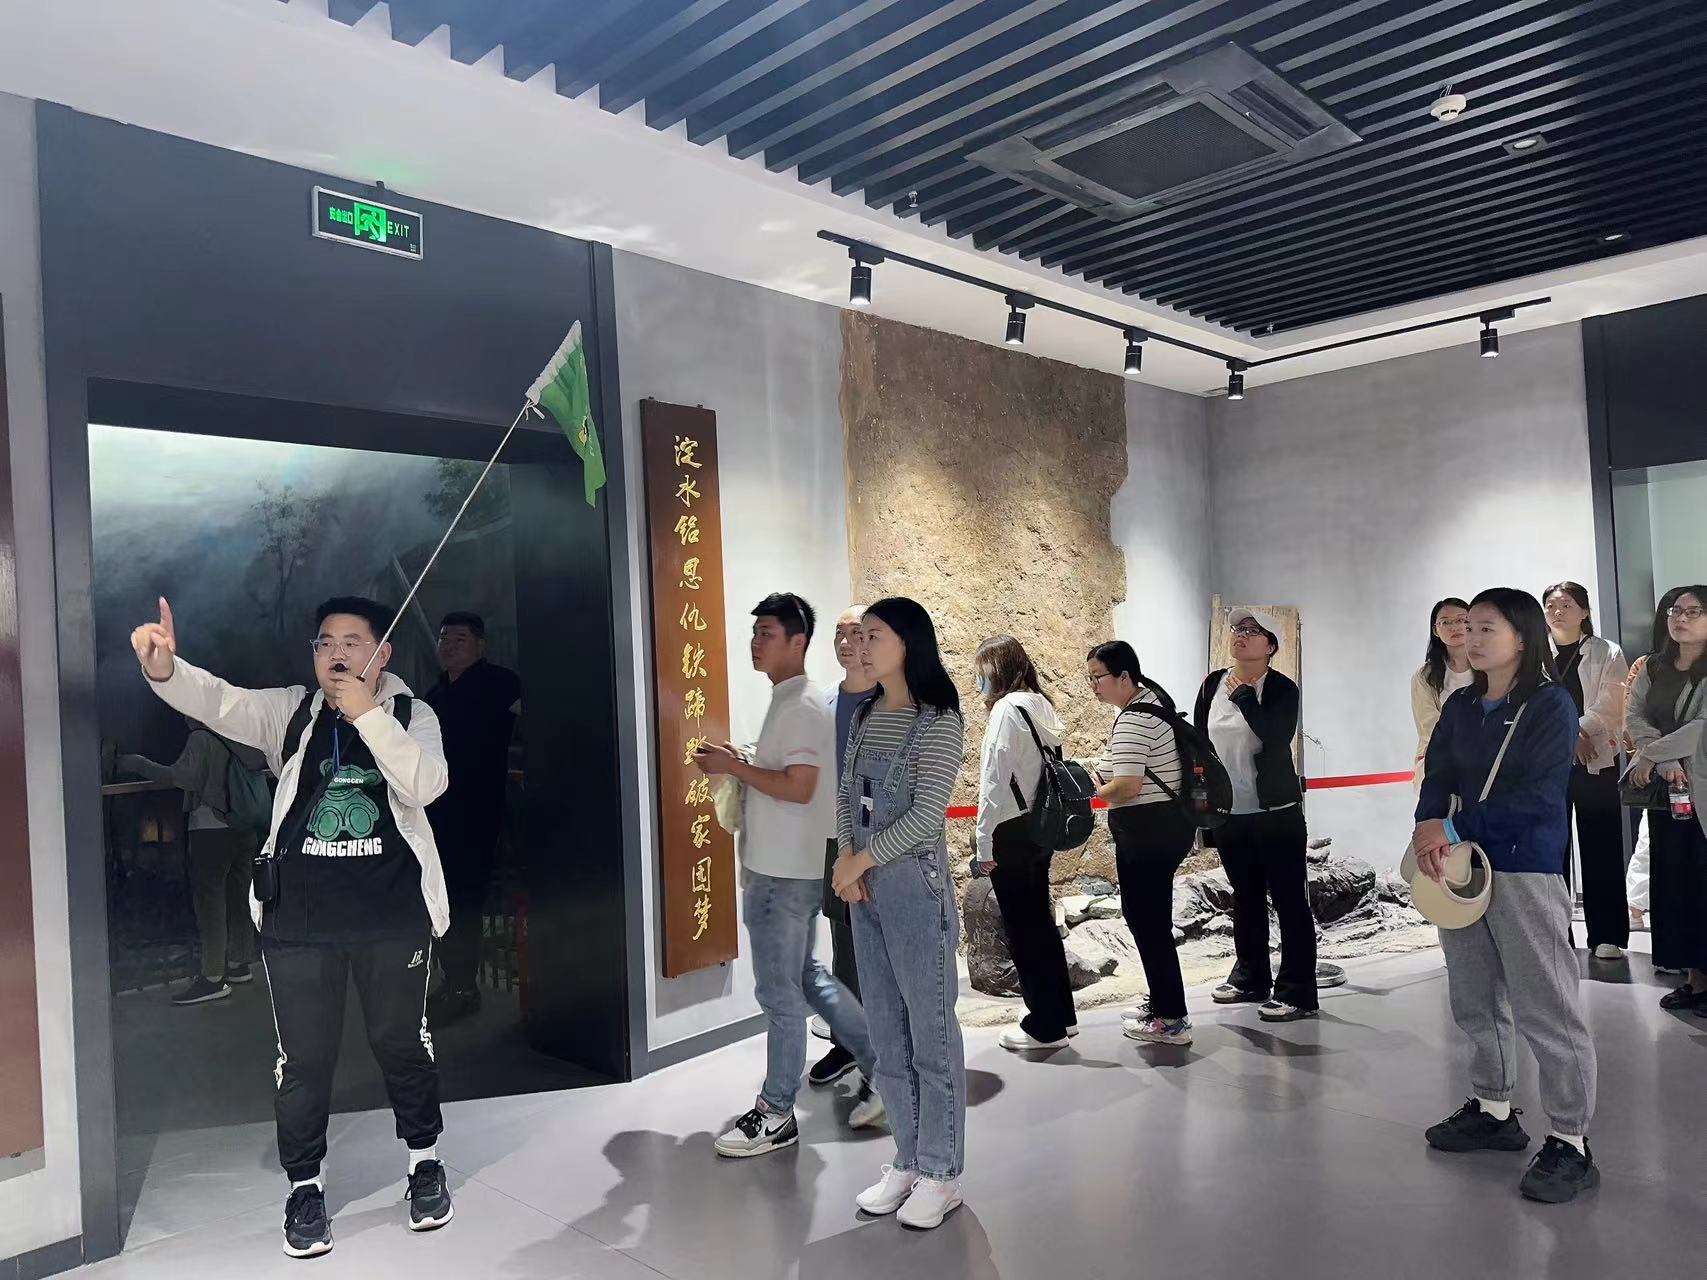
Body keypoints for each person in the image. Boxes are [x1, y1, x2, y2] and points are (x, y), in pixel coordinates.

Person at [129, 595, 454, 1257]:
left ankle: (424, 1161)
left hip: (392, 917)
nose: (337, 652)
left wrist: (367, 714)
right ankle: (305, 1186)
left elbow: (427, 785)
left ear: (383, 652)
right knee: (303, 1060)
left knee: (401, 1043)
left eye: (353, 641)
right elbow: (220, 702)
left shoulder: (411, 714)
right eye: (325, 642)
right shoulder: (293, 712)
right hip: (299, 921)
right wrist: (165, 670)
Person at [1414, 586, 1599, 1204]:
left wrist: (1454, 828)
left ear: (1522, 636)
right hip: (1462, 867)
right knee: (1474, 994)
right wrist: (1427, 823)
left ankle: (1571, 1140)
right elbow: (1439, 773)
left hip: (1524, 866)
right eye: (1466, 628)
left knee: (1547, 1007)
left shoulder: (1550, 704)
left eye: (1485, 628)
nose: (1470, 638)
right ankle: (1494, 1109)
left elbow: (1540, 798)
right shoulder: (1461, 705)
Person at [697, 593, 881, 1157]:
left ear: (797, 642)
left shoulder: (801, 704)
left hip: (781, 873)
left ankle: (777, 1112)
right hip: (781, 867)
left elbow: (799, 788)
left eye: (768, 633)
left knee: (779, 996)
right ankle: (885, 1070)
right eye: (755, 632)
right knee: (808, 979)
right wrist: (743, 760)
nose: (756, 642)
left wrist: (733, 766)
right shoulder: (792, 699)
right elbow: (790, 774)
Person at [830, 597, 967, 1230]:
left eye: (874, 635)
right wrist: (847, 858)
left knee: (931, 1037)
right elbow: (845, 795)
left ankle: (942, 1172)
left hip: (914, 888)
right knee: (887, 1035)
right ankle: (908, 1160)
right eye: (859, 636)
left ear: (908, 642)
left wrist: (859, 860)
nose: (861, 646)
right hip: (866, 889)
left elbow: (926, 816)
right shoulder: (865, 715)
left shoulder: (938, 721)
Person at [1193, 608, 1316, 1022]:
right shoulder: (1212, 684)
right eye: (1237, 629)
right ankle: (1250, 977)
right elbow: (1200, 743)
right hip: (1230, 812)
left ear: (1270, 646)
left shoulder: (1281, 688)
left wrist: (1245, 697)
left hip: (1275, 811)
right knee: (1245, 897)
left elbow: (1277, 736)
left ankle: (1297, 992)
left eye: (1252, 631)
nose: (1241, 635)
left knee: (1289, 900)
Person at [1080, 641, 1194, 1046]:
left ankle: (1171, 1018)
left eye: (1098, 677)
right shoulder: (1153, 701)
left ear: (1124, 676)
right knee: (1151, 919)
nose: (1093, 686)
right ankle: (1163, 1002)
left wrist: (1091, 794)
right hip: (1165, 826)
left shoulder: (1133, 719)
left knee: (1148, 921)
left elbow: (1128, 786)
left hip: (1147, 831)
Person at [972, 635, 1075, 1052]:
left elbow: (994, 780)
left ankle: (1044, 1026)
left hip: (1011, 830)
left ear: (997, 669)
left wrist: (982, 843)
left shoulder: (1005, 709)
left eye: (982, 671)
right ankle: (1060, 1015)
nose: (978, 679)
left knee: (1022, 927)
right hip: (1040, 825)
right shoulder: (1041, 704)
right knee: (1040, 923)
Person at [119, 719, 266, 1004]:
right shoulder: (241, 734)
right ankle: (240, 964)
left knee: (210, 902)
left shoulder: (202, 739)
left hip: (211, 830)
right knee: (240, 897)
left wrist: (136, 763)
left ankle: (213, 978)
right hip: (245, 827)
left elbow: (179, 778)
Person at [422, 611, 521, 1026]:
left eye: (459, 639)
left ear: (480, 645)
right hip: (436, 814)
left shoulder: (501, 684)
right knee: (441, 900)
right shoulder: (433, 696)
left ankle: (463, 987)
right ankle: (454, 981)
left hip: (478, 813)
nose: (448, 646)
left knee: (464, 901)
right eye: (444, 639)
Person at [1625, 585, 1707, 1011]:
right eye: (1676, 611)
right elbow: (1634, 715)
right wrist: (1661, 760)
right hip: (1667, 793)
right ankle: (1694, 979)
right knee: (1674, 883)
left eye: (1694, 611)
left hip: (1703, 789)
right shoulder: (1653, 667)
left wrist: (1651, 754)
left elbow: (1702, 728)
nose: (1682, 618)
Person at [807, 605, 879, 1088]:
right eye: (839, 633)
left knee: (884, 943)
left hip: (882, 841)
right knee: (845, 943)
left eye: (857, 633)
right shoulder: (824, 701)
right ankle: (848, 1043)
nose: (846, 642)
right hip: (836, 839)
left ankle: (889, 1051)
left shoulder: (894, 700)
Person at [1542, 582, 1629, 958]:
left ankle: (1607, 935)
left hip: (1595, 758)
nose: (1557, 611)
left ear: (1584, 612)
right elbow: (1531, 703)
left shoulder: (1606, 651)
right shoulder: (1533, 654)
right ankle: (1555, 933)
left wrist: (1577, 731)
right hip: (1547, 764)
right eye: (1550, 605)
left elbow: (1613, 701)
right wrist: (1568, 736)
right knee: (1551, 850)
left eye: (1566, 604)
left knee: (1602, 845)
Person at [1411, 598, 1473, 790]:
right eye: (1445, 622)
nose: (1454, 627)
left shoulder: (1491, 667)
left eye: (1461, 620)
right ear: (1435, 630)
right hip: (1442, 759)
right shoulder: (1426, 676)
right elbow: (1429, 724)